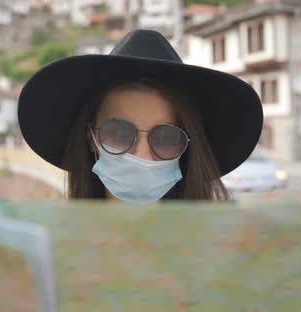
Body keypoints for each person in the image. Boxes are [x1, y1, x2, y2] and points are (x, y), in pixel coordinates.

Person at [18, 29, 263, 202]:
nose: (142, 155)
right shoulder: (53, 252)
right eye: (118, 134)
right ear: (91, 137)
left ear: (187, 147)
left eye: (166, 138)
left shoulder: (220, 254)